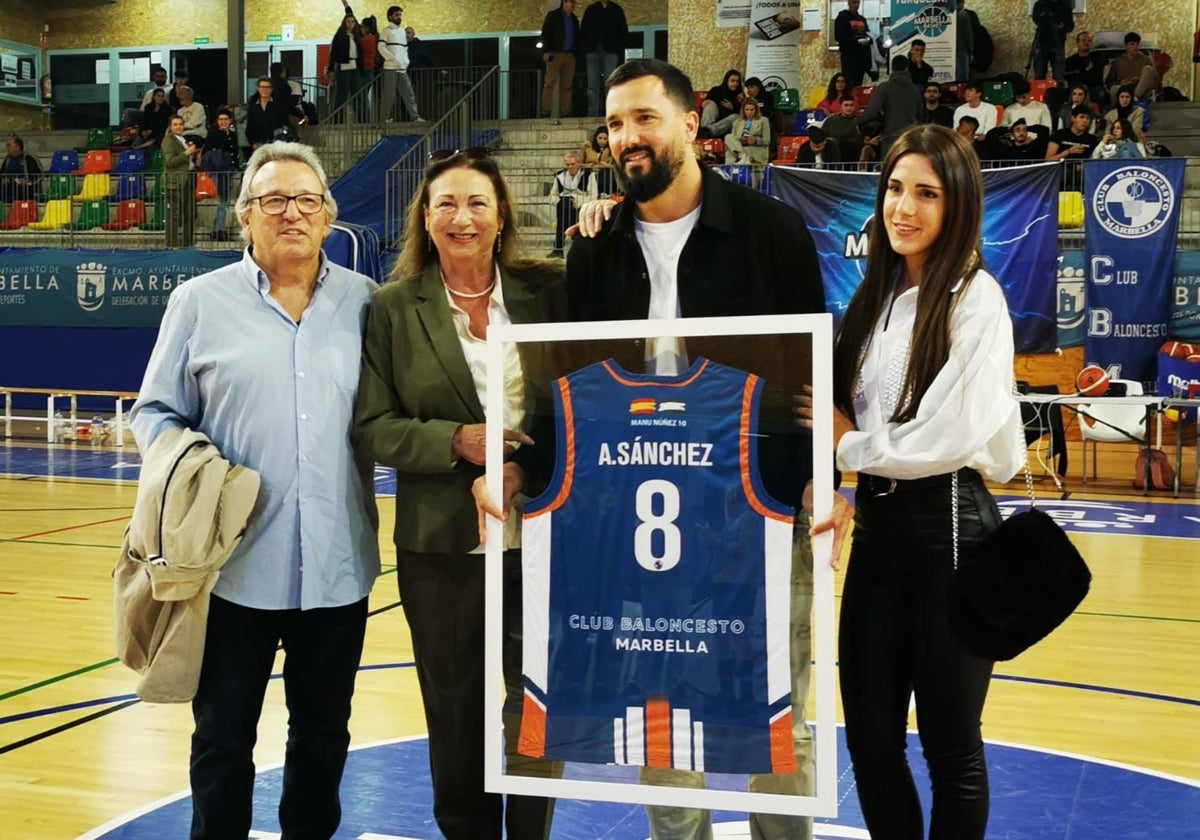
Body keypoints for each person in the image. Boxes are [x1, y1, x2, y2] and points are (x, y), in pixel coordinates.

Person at [484, 56, 852, 840]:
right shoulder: (596, 248)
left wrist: (824, 478)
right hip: (638, 519)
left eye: (644, 118)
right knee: (660, 709)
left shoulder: (773, 233)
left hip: (759, 509)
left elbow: (810, 377)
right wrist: (523, 467)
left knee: (780, 707)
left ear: (692, 125)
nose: (627, 138)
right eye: (614, 125)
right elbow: (572, 391)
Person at [130, 141, 380, 840]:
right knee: (221, 740)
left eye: (306, 201)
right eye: (273, 200)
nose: (291, 213)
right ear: (244, 217)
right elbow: (153, 412)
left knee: (324, 737)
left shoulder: (368, 305)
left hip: (338, 567)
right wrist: (192, 470)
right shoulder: (197, 302)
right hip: (232, 574)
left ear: (328, 217)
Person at [802, 123, 1023, 840]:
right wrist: (837, 482)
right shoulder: (876, 301)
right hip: (880, 533)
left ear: (956, 204)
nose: (905, 207)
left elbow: (952, 435)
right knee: (868, 740)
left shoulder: (976, 297)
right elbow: (833, 418)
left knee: (951, 747)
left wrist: (852, 448)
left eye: (926, 193)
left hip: (951, 534)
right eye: (895, 188)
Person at [352, 148, 562, 840]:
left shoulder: (548, 294)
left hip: (541, 541)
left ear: (502, 215)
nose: (461, 217)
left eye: (476, 203)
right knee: (454, 708)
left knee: (537, 707)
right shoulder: (391, 308)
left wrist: (524, 472)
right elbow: (375, 427)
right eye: (445, 203)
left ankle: (529, 832)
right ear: (425, 218)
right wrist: (456, 442)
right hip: (439, 548)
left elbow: (578, 408)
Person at [856, 55, 921, 157]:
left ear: (892, 68)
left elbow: (872, 111)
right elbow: (920, 114)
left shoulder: (884, 87)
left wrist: (857, 122)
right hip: (912, 137)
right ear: (907, 68)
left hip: (891, 137)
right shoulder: (915, 90)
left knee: (890, 169)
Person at [580, 0, 628, 118]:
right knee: (592, 84)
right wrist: (586, 47)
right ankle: (592, 112)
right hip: (592, 51)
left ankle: (610, 112)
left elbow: (623, 30)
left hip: (610, 51)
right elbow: (583, 30)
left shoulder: (616, 10)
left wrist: (618, 48)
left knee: (610, 84)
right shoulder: (591, 9)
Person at [200, 109, 241, 241]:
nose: (223, 122)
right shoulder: (213, 134)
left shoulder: (233, 135)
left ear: (230, 121)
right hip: (218, 171)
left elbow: (234, 153)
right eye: (220, 119)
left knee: (224, 201)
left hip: (228, 170)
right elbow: (207, 152)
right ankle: (219, 229)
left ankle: (218, 228)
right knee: (222, 201)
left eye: (226, 119)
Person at [378, 6, 424, 122]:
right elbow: (381, 47)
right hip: (391, 68)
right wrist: (392, 59)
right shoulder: (386, 31)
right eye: (396, 15)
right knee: (389, 95)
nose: (399, 17)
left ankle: (415, 116)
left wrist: (405, 61)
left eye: (400, 15)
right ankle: (384, 118)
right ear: (390, 16)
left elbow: (404, 49)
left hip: (402, 68)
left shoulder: (401, 32)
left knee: (408, 93)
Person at [549, 152, 597, 258]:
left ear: (579, 164)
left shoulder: (589, 175)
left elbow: (593, 195)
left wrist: (577, 200)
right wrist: (557, 200)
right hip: (563, 205)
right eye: (568, 165)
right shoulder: (560, 176)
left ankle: (578, 252)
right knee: (561, 224)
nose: (570, 167)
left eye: (572, 164)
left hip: (581, 205)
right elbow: (553, 194)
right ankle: (558, 250)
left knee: (579, 227)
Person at [162, 115, 199, 248]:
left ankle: (187, 244)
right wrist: (186, 154)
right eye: (175, 124)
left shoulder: (183, 140)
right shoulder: (168, 141)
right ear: (170, 127)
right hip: (175, 182)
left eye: (180, 124)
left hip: (188, 179)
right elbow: (170, 161)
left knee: (190, 213)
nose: (178, 126)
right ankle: (171, 245)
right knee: (174, 214)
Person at [540, 0, 581, 119]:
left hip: (569, 54)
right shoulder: (553, 16)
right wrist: (546, 51)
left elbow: (576, 37)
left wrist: (575, 53)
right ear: (564, 3)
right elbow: (545, 34)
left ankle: (565, 111)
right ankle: (546, 110)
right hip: (554, 53)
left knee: (567, 84)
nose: (572, 6)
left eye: (574, 4)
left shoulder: (574, 19)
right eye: (570, 3)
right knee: (549, 83)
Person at [1046, 104, 1099, 189]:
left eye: (1087, 118)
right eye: (1082, 117)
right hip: (1061, 173)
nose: (1085, 121)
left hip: (1082, 175)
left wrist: (1085, 166)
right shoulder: (1060, 134)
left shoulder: (1092, 140)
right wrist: (1068, 152)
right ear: (1073, 118)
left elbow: (1096, 161)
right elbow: (1048, 159)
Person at [328, 5, 366, 121]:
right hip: (343, 66)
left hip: (355, 66)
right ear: (344, 23)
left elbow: (360, 53)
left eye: (352, 22)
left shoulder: (356, 36)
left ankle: (362, 119)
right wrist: (331, 69)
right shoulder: (339, 36)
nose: (351, 24)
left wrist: (362, 67)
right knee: (342, 95)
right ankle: (337, 120)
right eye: (348, 21)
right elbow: (333, 53)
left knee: (357, 94)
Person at [1105, 31, 1157, 104]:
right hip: (1125, 92)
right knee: (1114, 89)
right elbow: (1109, 82)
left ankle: (1134, 99)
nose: (1135, 47)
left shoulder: (1146, 59)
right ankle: (1116, 111)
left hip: (1141, 92)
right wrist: (1121, 82)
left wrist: (1140, 80)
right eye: (1132, 44)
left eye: (1137, 44)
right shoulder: (1118, 61)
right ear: (1126, 46)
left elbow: (1154, 82)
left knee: (1148, 69)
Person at [1030, 0, 1073, 86]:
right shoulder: (1040, 4)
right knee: (1039, 75)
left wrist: (1061, 26)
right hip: (1041, 42)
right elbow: (1037, 19)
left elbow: (1070, 25)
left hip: (1057, 42)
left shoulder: (1065, 5)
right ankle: (1040, 96)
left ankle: (1058, 95)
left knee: (1059, 76)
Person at [245, 76, 293, 150]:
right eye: (262, 87)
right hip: (258, 145)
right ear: (258, 88)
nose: (264, 90)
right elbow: (249, 127)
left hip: (276, 145)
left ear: (271, 89)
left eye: (267, 87)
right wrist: (252, 143)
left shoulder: (279, 105)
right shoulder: (253, 106)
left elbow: (286, 124)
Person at [1064, 30, 1108, 106]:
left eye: (1089, 41)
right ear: (1077, 43)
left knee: (1101, 93)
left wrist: (1080, 73)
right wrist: (1085, 71)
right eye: (1083, 40)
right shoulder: (1070, 61)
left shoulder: (1097, 58)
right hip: (1076, 89)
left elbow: (1096, 76)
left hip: (1094, 88)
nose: (1086, 42)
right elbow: (1068, 77)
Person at [835, 0, 872, 87]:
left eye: (858, 2)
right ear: (848, 3)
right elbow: (839, 37)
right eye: (853, 2)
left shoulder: (862, 19)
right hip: (848, 56)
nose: (856, 5)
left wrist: (868, 39)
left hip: (861, 56)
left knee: (858, 83)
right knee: (848, 82)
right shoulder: (842, 17)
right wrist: (856, 41)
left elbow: (867, 33)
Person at [698, 69, 744, 139]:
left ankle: (708, 132)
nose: (735, 84)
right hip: (712, 120)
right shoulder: (716, 90)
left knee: (736, 117)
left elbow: (743, 114)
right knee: (710, 104)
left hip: (724, 125)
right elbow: (704, 107)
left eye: (737, 81)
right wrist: (705, 103)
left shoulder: (740, 95)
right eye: (732, 81)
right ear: (727, 81)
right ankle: (704, 130)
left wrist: (732, 108)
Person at [723, 97, 770, 166]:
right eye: (747, 110)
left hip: (754, 148)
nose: (749, 112)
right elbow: (732, 140)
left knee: (731, 151)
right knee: (728, 137)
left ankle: (743, 157)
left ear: (756, 110)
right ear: (743, 110)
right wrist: (741, 140)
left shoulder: (763, 120)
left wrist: (755, 140)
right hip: (740, 148)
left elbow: (767, 141)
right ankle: (742, 156)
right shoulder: (737, 122)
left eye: (752, 110)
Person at [1, 134, 43, 202]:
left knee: (21, 190)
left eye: (9, 145)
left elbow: (39, 175)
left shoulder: (29, 158)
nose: (7, 147)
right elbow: (2, 173)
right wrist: (3, 179)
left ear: (17, 147)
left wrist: (28, 181)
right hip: (9, 186)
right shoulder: (7, 160)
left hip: (27, 187)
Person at [580, 124, 615, 196]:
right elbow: (580, 164)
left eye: (605, 139)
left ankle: (605, 195)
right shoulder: (587, 147)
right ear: (596, 137)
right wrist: (590, 166)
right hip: (589, 173)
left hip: (604, 174)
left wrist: (603, 165)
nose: (602, 141)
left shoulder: (610, 149)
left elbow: (613, 164)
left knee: (606, 174)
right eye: (600, 138)